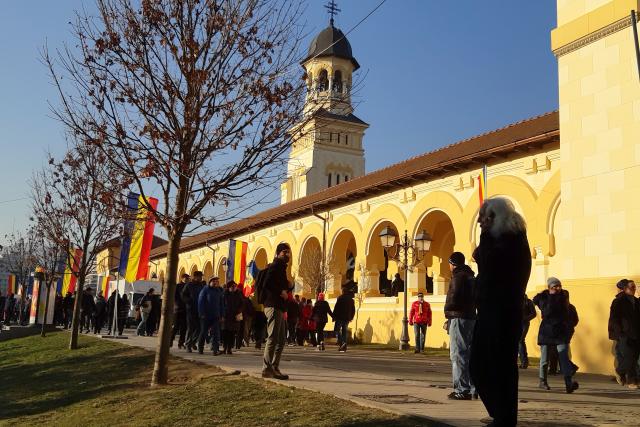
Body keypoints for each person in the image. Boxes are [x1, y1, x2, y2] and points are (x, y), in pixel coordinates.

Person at [470, 197, 531, 427]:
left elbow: (493, 269)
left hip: (502, 313)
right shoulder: (500, 240)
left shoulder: (509, 241)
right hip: (489, 310)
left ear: (495, 217)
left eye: (483, 217)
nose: (479, 222)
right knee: (480, 366)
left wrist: (484, 241)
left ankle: (505, 417)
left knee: (500, 366)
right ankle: (501, 413)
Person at [533, 277, 579, 394]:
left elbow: (566, 312)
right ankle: (542, 381)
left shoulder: (564, 297)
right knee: (544, 359)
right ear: (549, 288)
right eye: (555, 287)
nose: (558, 288)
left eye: (559, 286)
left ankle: (568, 383)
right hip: (547, 332)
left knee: (564, 357)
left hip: (560, 332)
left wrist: (568, 328)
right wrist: (552, 297)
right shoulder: (543, 298)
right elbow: (547, 312)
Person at [444, 252, 476, 400]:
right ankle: (473, 388)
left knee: (457, 354)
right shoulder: (470, 276)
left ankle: (462, 389)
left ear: (452, 263)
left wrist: (448, 311)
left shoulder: (458, 276)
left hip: (458, 316)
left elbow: (453, 297)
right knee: (468, 354)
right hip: (470, 316)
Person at [261, 243, 293, 380]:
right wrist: (281, 291)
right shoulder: (275, 266)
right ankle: (267, 368)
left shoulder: (281, 268)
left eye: (289, 252)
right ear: (279, 253)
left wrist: (288, 287)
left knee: (281, 340)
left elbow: (281, 286)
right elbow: (267, 283)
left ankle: (274, 367)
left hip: (279, 306)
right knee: (273, 338)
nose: (288, 255)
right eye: (285, 252)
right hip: (272, 305)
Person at [608, 279, 640, 389]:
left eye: (634, 287)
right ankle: (623, 373)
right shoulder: (618, 301)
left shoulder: (636, 301)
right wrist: (620, 332)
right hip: (624, 334)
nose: (634, 289)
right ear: (625, 289)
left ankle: (632, 380)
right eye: (631, 287)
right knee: (629, 357)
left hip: (636, 333)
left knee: (634, 357)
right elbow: (614, 318)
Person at [197, 277, 224, 355]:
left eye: (217, 281)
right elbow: (200, 302)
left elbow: (221, 304)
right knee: (203, 332)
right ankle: (200, 348)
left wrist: (222, 315)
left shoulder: (219, 291)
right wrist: (201, 313)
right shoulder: (205, 290)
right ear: (210, 282)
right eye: (214, 281)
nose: (216, 283)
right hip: (205, 316)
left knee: (216, 333)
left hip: (216, 316)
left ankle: (215, 350)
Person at [182, 271, 206, 352]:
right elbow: (183, 295)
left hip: (200, 310)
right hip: (191, 310)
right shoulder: (189, 285)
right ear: (195, 277)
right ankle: (188, 344)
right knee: (191, 328)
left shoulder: (202, 286)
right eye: (200, 276)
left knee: (200, 328)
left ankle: (193, 341)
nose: (201, 278)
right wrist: (189, 301)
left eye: (201, 276)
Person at [223, 281, 243, 354]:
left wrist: (239, 310)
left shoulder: (238, 294)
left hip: (235, 316)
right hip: (227, 316)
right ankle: (225, 347)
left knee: (232, 333)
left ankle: (230, 348)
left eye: (235, 286)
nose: (234, 287)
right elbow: (221, 304)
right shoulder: (225, 294)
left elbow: (241, 304)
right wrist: (223, 313)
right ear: (229, 287)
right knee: (226, 332)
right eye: (232, 286)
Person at [333, 286, 356, 353]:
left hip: (340, 317)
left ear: (342, 292)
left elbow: (336, 308)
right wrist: (351, 317)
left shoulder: (340, 298)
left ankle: (342, 343)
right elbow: (353, 310)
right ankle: (344, 346)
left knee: (336, 330)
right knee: (344, 332)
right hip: (347, 318)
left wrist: (334, 316)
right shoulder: (351, 299)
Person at [171, 273, 189, 348]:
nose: (187, 279)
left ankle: (181, 343)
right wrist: (176, 305)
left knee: (184, 328)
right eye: (185, 278)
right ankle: (170, 340)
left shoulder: (188, 286)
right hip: (178, 309)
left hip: (186, 309)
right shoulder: (178, 286)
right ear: (182, 278)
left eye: (187, 278)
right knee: (175, 326)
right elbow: (174, 297)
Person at [519, 294, 537, 369]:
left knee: (520, 340)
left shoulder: (528, 302)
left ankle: (524, 362)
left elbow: (533, 314)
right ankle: (523, 362)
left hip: (524, 324)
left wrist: (525, 319)